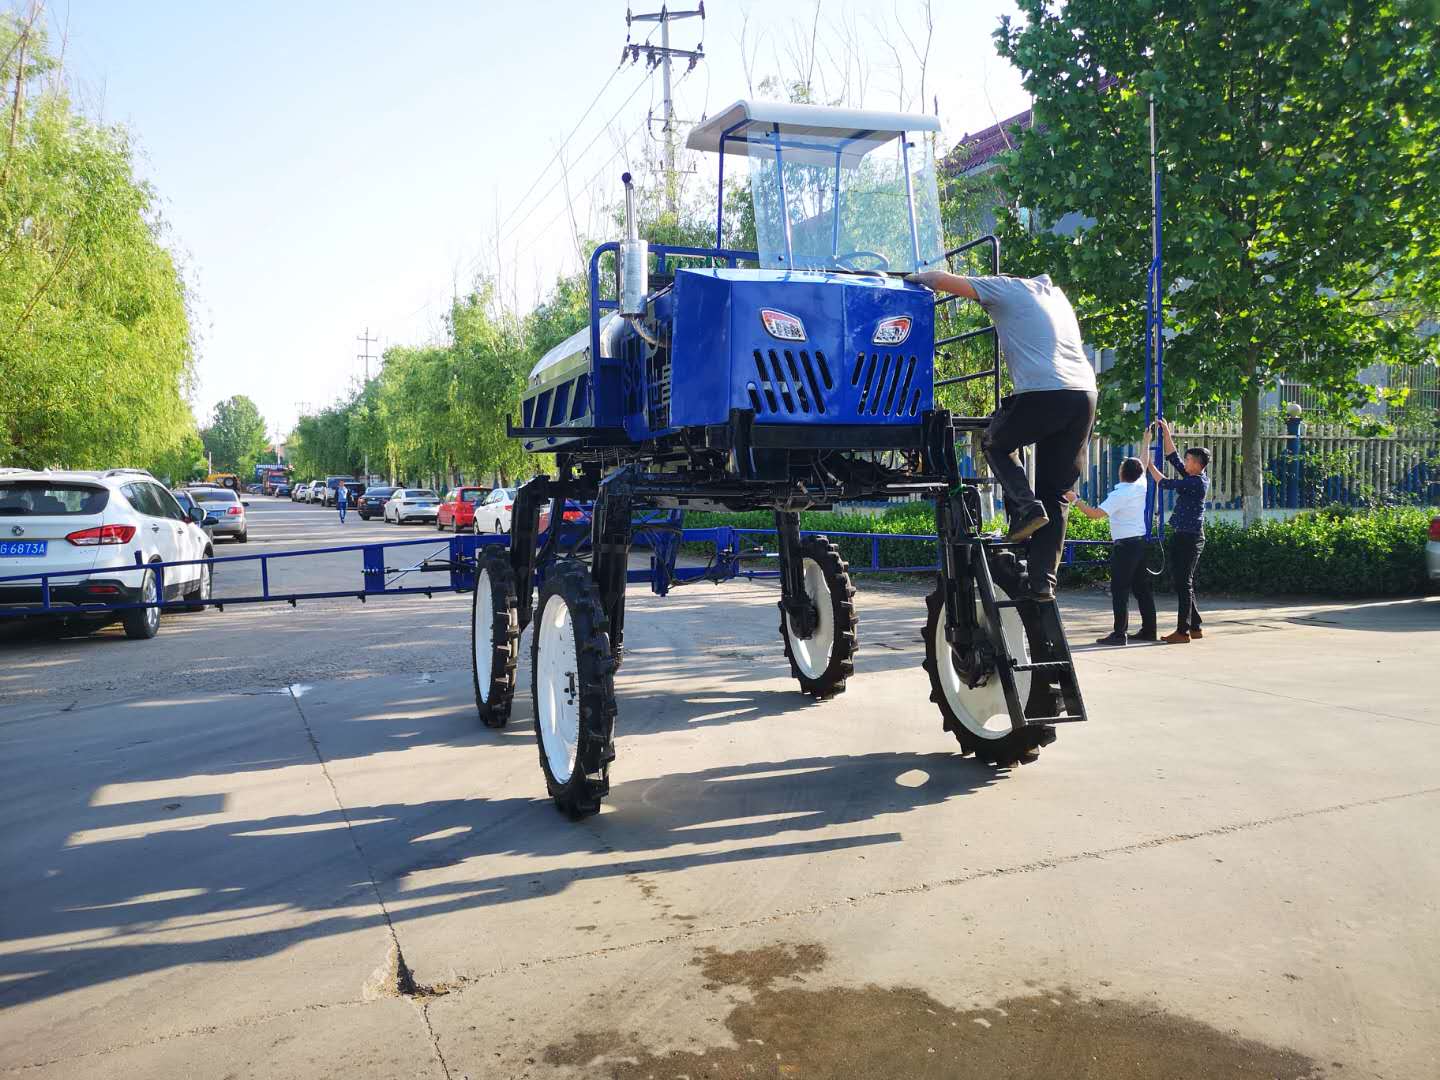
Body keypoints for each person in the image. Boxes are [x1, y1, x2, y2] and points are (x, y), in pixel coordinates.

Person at [904, 270, 1097, 599]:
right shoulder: (1057, 297)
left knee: (995, 441)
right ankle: (1042, 584)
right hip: (1085, 394)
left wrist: (911, 275)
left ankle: (1026, 507)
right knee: (1057, 492)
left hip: (1043, 391)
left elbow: (939, 281)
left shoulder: (1006, 287)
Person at [1065, 457, 1157, 646]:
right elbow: (1144, 460)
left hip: (1125, 547)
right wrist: (1147, 441)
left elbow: (1095, 514)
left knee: (1120, 590)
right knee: (1142, 589)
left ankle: (1119, 634)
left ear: (1121, 472)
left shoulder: (1120, 494)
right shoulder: (1141, 486)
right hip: (1139, 544)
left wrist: (1075, 500)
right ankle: (1149, 630)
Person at [1146, 419, 1210, 643]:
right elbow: (1173, 458)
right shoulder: (1192, 476)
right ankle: (1196, 626)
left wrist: (1149, 466)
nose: (1186, 461)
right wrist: (1166, 433)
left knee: (1184, 584)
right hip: (1185, 535)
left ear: (1198, 464)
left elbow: (1164, 483)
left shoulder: (1196, 483)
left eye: (1190, 459)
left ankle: (1182, 631)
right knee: (1184, 581)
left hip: (1189, 538)